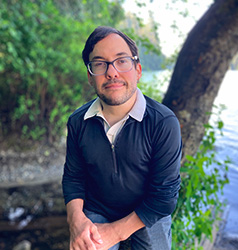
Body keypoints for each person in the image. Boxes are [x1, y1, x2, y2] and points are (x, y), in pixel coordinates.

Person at [62, 26, 182, 250]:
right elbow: (74, 178)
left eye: (122, 61)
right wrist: (75, 220)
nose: (112, 72)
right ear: (90, 76)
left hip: (148, 213)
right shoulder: (78, 122)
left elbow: (164, 198)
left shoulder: (163, 122)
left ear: (138, 69)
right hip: (98, 209)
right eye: (99, 64)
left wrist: (115, 233)